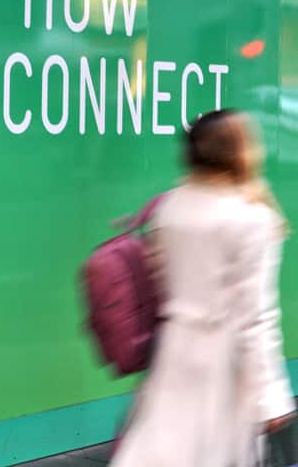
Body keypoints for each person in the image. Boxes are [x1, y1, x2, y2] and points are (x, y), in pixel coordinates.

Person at [110, 109, 295, 467]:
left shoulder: (170, 208)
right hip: (222, 365)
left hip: (174, 353)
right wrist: (270, 397)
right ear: (242, 151)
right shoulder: (253, 219)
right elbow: (255, 318)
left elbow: (158, 281)